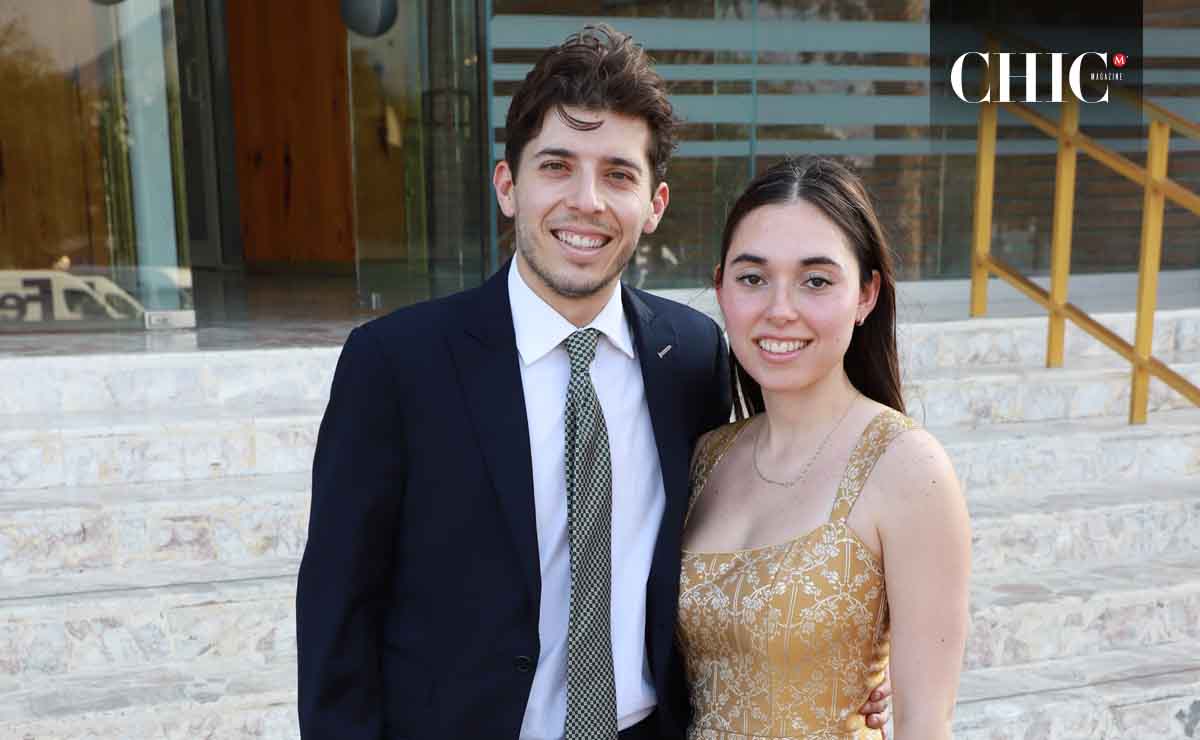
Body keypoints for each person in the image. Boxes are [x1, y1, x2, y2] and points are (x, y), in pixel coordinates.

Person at [296, 26, 890, 740]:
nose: (587, 201)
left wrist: (857, 653)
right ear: (508, 185)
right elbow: (337, 618)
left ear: (656, 202)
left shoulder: (694, 354)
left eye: (618, 173)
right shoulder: (395, 365)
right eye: (556, 166)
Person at [677, 157, 971, 739]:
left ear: (866, 295)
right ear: (721, 289)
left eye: (816, 280)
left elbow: (925, 727)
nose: (779, 309)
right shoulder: (706, 455)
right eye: (752, 278)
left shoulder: (907, 467)